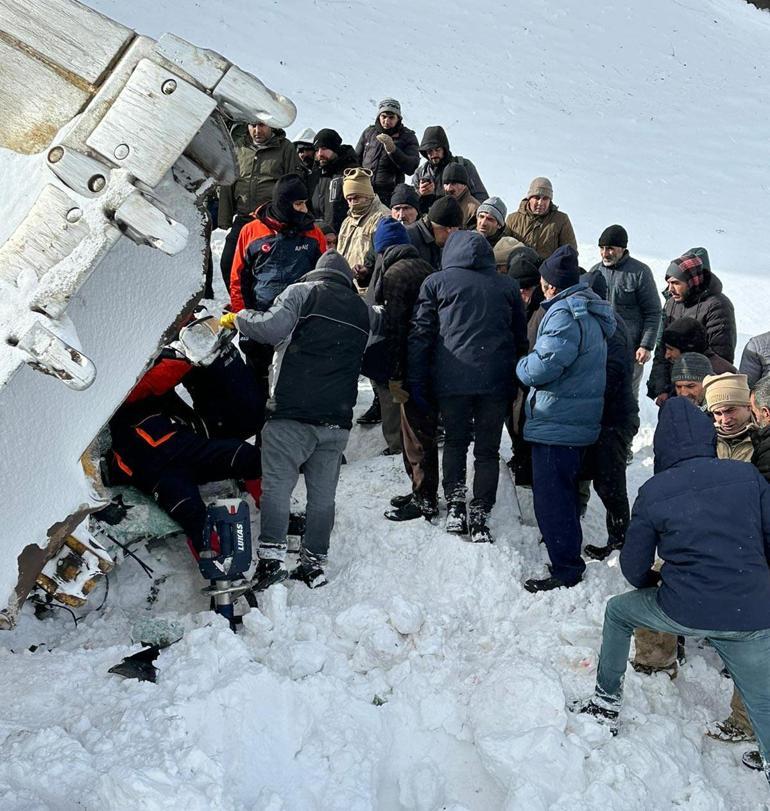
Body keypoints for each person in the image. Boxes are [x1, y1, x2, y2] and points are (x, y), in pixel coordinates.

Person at [574, 398, 770, 788]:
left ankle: (606, 702)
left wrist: (659, 585)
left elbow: (633, 567)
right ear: (707, 437)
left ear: (663, 445)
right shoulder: (747, 477)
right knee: (763, 699)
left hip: (684, 608)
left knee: (618, 612)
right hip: (751, 613)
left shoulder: (654, 491)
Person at [220, 251, 370, 589]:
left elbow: (270, 327)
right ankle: (313, 563)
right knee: (323, 496)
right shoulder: (361, 310)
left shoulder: (303, 293)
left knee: (277, 487)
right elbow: (380, 333)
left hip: (292, 412)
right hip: (336, 420)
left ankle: (271, 560)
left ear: (317, 273)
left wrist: (237, 318)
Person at [408, 231, 527, 542]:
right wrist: (515, 378)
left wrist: (418, 379)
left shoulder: (436, 283)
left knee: (456, 442)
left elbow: (421, 335)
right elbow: (520, 337)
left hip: (452, 379)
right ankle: (481, 510)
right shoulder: (507, 286)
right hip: (495, 380)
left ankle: (456, 504)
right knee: (487, 449)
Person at [516, 246, 616, 592]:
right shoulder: (588, 310)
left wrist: (521, 365)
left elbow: (543, 366)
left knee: (552, 499)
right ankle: (566, 556)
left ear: (550, 284)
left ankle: (566, 568)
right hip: (577, 420)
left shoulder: (563, 314)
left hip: (557, 422)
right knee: (565, 494)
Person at [107, 348, 262, 559]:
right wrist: (188, 354)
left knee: (245, 455)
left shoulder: (155, 393)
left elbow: (162, 376)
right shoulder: (114, 400)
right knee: (192, 514)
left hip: (190, 449)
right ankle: (217, 566)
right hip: (160, 473)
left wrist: (189, 352)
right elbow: (153, 381)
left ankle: (275, 510)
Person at [228, 175, 327, 423]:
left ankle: (301, 430)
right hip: (261, 320)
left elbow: (324, 277)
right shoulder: (251, 231)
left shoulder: (312, 232)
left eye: (305, 203)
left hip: (300, 324)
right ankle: (263, 434)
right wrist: (244, 321)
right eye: (298, 204)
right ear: (283, 203)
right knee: (259, 386)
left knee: (299, 385)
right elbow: (238, 279)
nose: (304, 209)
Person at [581, 272, 640, 562]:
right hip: (605, 415)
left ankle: (621, 543)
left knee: (610, 483)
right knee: (604, 480)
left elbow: (613, 374)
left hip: (614, 418)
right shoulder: (601, 322)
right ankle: (618, 540)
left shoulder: (612, 328)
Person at [218, 119, 304, 290]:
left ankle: (261, 302)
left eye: (262, 125)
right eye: (253, 125)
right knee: (228, 262)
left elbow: (293, 184)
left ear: (271, 125)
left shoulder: (285, 148)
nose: (257, 130)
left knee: (265, 268)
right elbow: (228, 183)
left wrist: (291, 218)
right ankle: (240, 301)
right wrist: (224, 218)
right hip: (244, 218)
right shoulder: (238, 147)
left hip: (271, 221)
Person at [647, 247, 736, 405]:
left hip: (701, 393)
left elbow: (720, 354)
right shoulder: (671, 303)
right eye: (668, 283)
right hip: (673, 389)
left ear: (691, 281)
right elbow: (662, 351)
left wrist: (693, 390)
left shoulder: (717, 306)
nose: (670, 289)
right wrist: (661, 388)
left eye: (676, 283)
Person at [589, 225, 661, 401]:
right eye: (602, 248)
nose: (605, 253)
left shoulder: (640, 272)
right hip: (600, 350)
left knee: (626, 399)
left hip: (630, 351)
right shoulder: (595, 272)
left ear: (622, 248)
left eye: (610, 248)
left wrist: (646, 345)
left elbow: (653, 311)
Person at [355, 99, 419, 207]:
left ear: (398, 118)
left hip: (389, 195)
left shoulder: (407, 136)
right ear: (378, 116)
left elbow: (411, 167)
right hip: (365, 192)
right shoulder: (369, 133)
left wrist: (393, 150)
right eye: (383, 116)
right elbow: (356, 159)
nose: (386, 121)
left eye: (391, 117)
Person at [413, 126, 488, 211]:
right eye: (430, 151)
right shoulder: (421, 172)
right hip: (431, 217)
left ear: (444, 149)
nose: (434, 154)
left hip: (462, 216)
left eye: (437, 150)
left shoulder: (464, 166)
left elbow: (481, 197)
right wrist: (421, 194)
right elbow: (409, 204)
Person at [504, 177, 577, 260]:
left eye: (545, 198)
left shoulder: (561, 220)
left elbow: (570, 252)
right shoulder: (513, 219)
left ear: (550, 200)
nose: (540, 203)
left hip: (548, 267)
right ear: (529, 198)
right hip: (519, 266)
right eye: (537, 198)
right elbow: (503, 249)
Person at [337, 168, 390, 278]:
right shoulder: (347, 222)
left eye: (356, 197)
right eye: (349, 199)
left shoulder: (383, 218)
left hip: (368, 282)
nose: (352, 203)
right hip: (346, 282)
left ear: (368, 195)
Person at [310, 128, 359, 234]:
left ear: (335, 149)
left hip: (344, 236)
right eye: (317, 150)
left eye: (324, 148)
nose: (320, 154)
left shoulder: (350, 172)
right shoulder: (316, 175)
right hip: (320, 237)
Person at [704, 373, 755, 461]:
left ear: (748, 406)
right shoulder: (706, 440)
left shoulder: (763, 438)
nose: (725, 420)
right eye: (718, 413)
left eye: (730, 410)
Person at [660, 317, 736, 375]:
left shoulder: (721, 375)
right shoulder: (690, 368)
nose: (667, 355)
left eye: (670, 349)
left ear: (687, 349)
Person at [406, 196, 463, 270]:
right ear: (449, 229)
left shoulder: (432, 239)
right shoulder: (409, 238)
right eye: (455, 233)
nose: (453, 239)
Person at [441, 164, 480, 228]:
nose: (449, 188)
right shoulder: (440, 205)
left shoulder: (474, 209)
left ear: (464, 185)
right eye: (446, 183)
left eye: (454, 183)